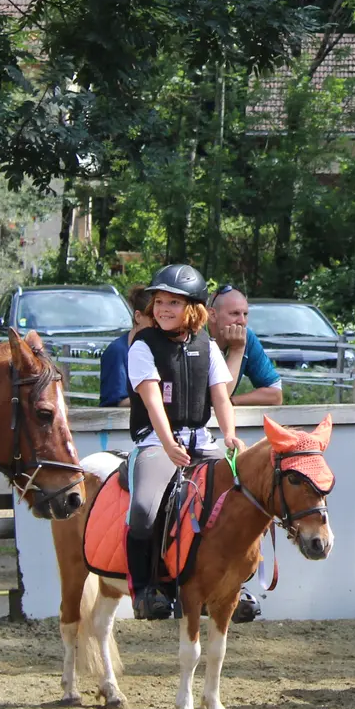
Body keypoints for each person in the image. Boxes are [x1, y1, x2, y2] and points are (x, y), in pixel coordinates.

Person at [124, 264, 245, 619]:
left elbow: (221, 397)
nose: (162, 308)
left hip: (202, 441)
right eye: (158, 301)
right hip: (155, 442)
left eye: (172, 303)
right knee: (144, 510)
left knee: (242, 496)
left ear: (192, 308)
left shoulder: (206, 346)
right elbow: (152, 402)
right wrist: (167, 445)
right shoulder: (142, 346)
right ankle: (145, 590)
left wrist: (230, 435)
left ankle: (237, 583)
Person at [207, 287, 284, 406]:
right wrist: (237, 350)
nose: (242, 321)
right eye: (234, 313)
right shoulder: (195, 338)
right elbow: (216, 399)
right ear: (212, 315)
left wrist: (233, 401)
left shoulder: (246, 337)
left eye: (245, 314)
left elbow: (275, 395)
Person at [100, 286, 155, 408]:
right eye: (153, 320)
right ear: (138, 317)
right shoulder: (117, 352)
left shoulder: (159, 347)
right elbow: (114, 404)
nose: (158, 326)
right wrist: (156, 395)